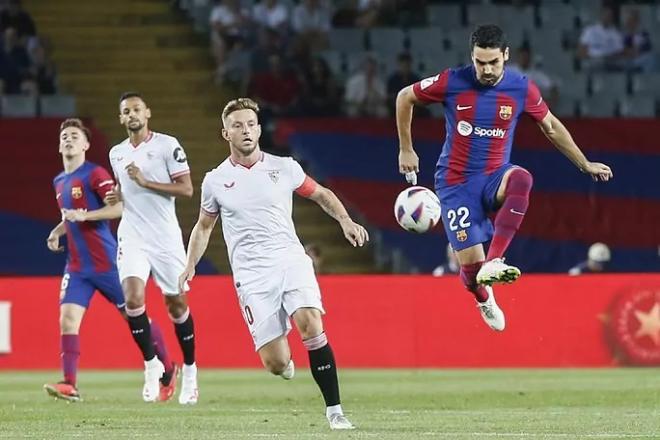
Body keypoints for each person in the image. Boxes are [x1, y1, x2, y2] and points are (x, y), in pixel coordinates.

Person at [396, 24, 613, 331]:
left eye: (493, 62)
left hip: (495, 175)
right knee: (470, 274)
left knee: (522, 178)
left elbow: (550, 125)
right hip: (456, 184)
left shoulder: (521, 87)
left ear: (506, 56)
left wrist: (584, 163)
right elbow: (405, 97)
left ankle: (495, 261)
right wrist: (406, 149)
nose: (486, 69)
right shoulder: (452, 81)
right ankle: (484, 296)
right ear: (472, 57)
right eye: (479, 62)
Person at [179, 98, 368, 430]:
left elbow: (321, 193)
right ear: (226, 133)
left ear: (259, 129)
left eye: (251, 124)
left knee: (310, 323)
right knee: (275, 362)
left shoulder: (285, 167)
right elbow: (204, 226)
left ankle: (335, 411)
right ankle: (286, 365)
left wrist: (345, 221)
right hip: (251, 276)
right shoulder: (215, 180)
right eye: (237, 125)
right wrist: (190, 263)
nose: (246, 130)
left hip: (290, 260)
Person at [44, 118, 175, 402]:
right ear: (59, 145)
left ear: (86, 145)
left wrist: (86, 216)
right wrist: (57, 231)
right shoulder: (59, 180)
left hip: (106, 263)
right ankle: (70, 384)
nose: (68, 139)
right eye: (64, 136)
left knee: (134, 316)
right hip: (77, 267)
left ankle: (168, 368)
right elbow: (71, 216)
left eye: (75, 136)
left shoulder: (95, 174)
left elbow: (118, 207)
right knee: (67, 320)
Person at [105, 92, 197, 404]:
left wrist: (146, 183)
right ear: (121, 118)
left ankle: (191, 370)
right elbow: (123, 190)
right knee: (132, 299)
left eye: (136, 109)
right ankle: (151, 364)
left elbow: (186, 188)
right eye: (125, 111)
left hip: (165, 237)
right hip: (132, 234)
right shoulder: (116, 153)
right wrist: (117, 197)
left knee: (176, 305)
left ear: (148, 113)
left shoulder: (167, 145)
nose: (131, 114)